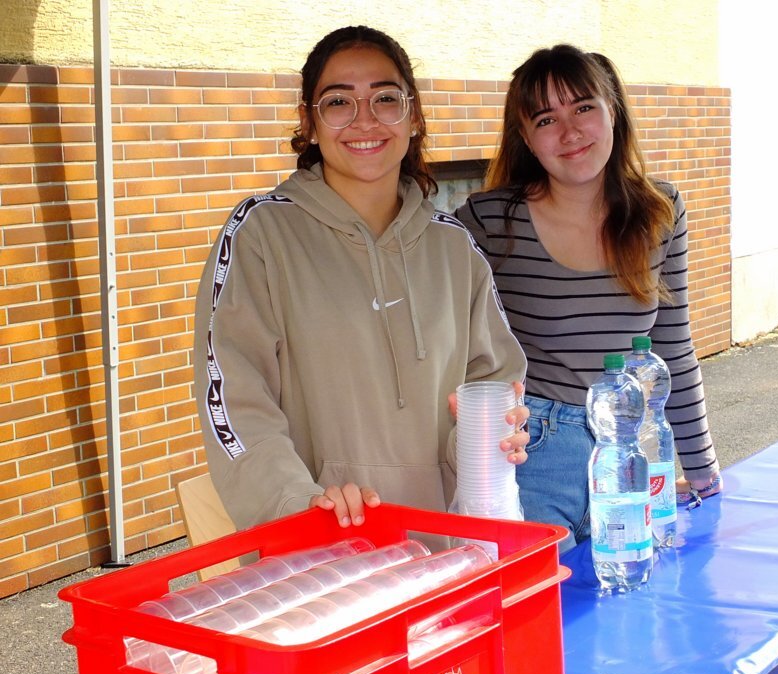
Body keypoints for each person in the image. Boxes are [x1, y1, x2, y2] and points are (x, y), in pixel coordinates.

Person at [193, 26, 528, 535]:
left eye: (385, 99)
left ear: (413, 116)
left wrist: (488, 438)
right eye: (338, 102)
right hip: (321, 555)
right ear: (309, 121)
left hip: (444, 552)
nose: (364, 120)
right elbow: (236, 400)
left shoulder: (453, 247)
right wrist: (297, 504)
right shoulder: (261, 235)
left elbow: (493, 382)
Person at [454, 45, 721, 552]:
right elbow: (455, 351)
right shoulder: (490, 220)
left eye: (583, 108)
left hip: (629, 450)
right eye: (546, 119)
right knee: (541, 620)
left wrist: (703, 470)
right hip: (531, 457)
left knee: (631, 616)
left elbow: (674, 349)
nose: (570, 132)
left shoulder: (660, 211)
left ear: (613, 110)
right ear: (527, 139)